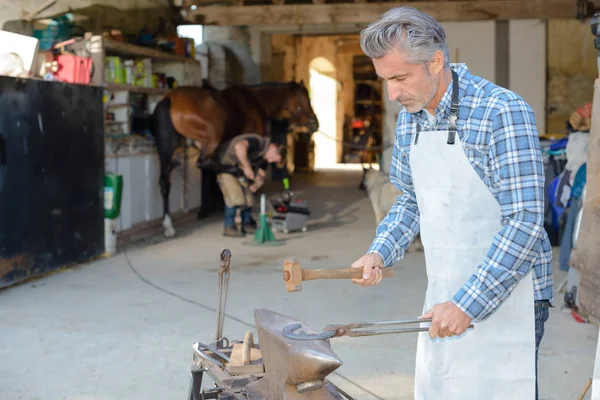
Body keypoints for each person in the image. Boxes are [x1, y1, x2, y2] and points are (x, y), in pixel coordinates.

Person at [350, 7, 554, 400]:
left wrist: (467, 304)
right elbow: (411, 199)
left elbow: (525, 222)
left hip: (509, 292)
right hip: (445, 286)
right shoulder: (411, 116)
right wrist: (380, 251)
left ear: (436, 61)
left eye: (400, 78)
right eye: (385, 80)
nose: (392, 94)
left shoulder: (501, 112)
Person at [216, 133, 286, 237]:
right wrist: (247, 166)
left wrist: (256, 185)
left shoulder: (264, 157)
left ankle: (247, 224)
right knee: (235, 198)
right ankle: (229, 227)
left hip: (238, 171)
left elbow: (261, 175)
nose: (270, 161)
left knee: (249, 199)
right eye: (272, 157)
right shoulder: (258, 142)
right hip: (226, 167)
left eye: (273, 161)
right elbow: (239, 146)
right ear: (272, 148)